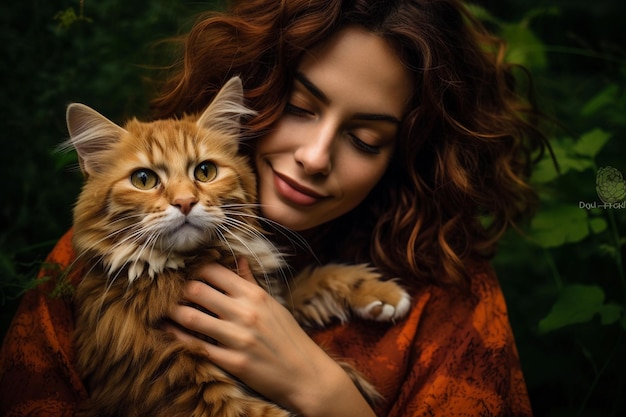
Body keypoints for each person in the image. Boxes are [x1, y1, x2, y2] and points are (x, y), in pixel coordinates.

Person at [0, 0, 548, 416]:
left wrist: (325, 392)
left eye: (365, 139)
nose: (313, 158)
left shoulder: (454, 294)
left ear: (404, 157)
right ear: (255, 98)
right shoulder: (77, 272)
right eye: (301, 108)